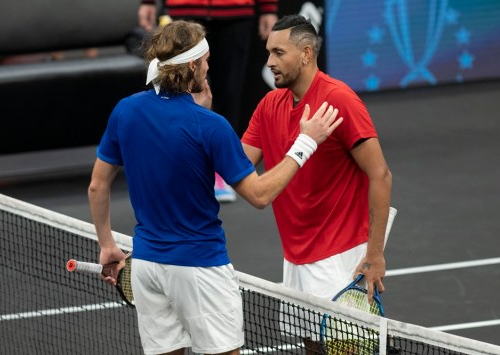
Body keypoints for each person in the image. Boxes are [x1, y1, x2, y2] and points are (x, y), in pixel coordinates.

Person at [88, 20, 342, 355]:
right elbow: (259, 194)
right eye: (205, 60)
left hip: (148, 268)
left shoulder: (126, 110)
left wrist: (107, 244)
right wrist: (305, 143)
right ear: (192, 66)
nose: (209, 66)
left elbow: (97, 186)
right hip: (200, 268)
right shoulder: (211, 127)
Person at [240, 15, 393, 353]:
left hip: (340, 255)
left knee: (347, 350)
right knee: (313, 347)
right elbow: (235, 167)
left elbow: (380, 174)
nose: (269, 62)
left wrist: (376, 252)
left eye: (279, 53)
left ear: (306, 54)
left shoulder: (340, 100)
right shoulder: (269, 105)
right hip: (295, 256)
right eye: (268, 53)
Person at [138, 0, 279, 203]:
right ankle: (182, 168)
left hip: (235, 12)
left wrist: (268, 7)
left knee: (229, 93)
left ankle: (220, 172)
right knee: (181, 91)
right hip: (185, 9)